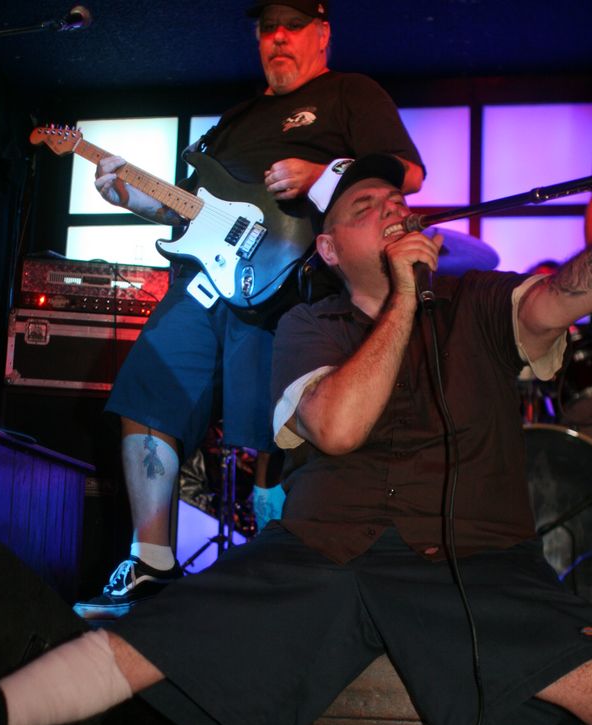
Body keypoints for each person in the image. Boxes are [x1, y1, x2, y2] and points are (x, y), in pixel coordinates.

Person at [0, 153, 592, 725]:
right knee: (141, 641)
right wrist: (404, 302)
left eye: (395, 201)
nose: (390, 208)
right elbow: (338, 427)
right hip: (321, 549)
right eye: (364, 208)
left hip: (472, 557)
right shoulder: (307, 327)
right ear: (330, 250)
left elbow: (561, 296)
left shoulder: (481, 300)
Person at [74, 0, 425, 619]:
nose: (279, 37)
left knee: (287, 423)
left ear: (323, 33)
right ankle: (150, 560)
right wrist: (137, 200)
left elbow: (409, 175)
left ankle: (297, 570)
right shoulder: (233, 120)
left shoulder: (350, 92)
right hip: (206, 280)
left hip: (293, 281)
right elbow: (197, 207)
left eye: (294, 26)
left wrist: (320, 174)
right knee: (149, 391)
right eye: (268, 28)